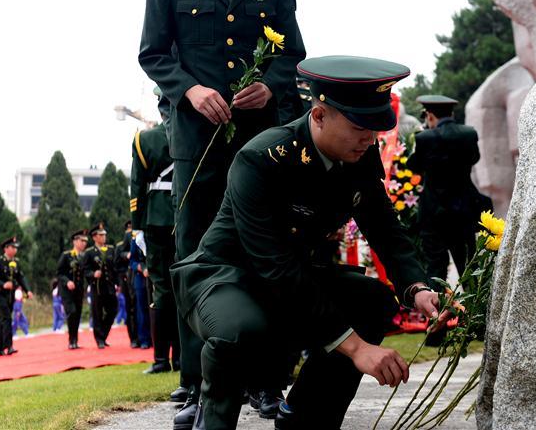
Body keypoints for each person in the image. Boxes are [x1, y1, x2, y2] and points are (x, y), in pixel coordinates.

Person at [170, 56, 445, 429]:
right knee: (242, 329)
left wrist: (418, 290)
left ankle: (304, 419)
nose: (370, 139)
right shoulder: (262, 158)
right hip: (225, 278)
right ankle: (212, 417)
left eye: (375, 128)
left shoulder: (357, 157)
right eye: (359, 127)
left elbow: (386, 230)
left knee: (373, 301)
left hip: (290, 277)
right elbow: (273, 265)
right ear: (318, 116)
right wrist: (356, 348)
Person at [138, 0, 306, 427]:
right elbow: (153, 53)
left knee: (264, 250)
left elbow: (293, 55)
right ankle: (194, 383)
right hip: (197, 140)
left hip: (257, 142)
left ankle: (265, 381)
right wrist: (189, 90)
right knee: (195, 255)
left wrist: (269, 86)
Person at [407, 95, 491, 289]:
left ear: (429, 116)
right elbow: (474, 158)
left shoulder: (424, 138)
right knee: (468, 267)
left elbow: (414, 166)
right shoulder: (469, 133)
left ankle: (437, 305)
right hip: (463, 210)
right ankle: (474, 307)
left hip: (433, 213)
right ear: (451, 113)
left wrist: (422, 138)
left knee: (435, 267)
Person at [129, 98, 182, 390]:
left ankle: (161, 359)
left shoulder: (144, 139)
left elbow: (137, 185)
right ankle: (183, 358)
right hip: (185, 214)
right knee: (184, 286)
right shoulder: (194, 135)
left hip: (155, 217)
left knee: (161, 288)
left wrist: (136, 225)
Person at [0, 235, 33, 356]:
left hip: (10, 296)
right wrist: (3, 284)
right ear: (6, 248)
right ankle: (9, 346)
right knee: (7, 318)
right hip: (0, 295)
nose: (15, 250)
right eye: (12, 247)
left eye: (15, 248)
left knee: (3, 320)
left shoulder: (16, 262)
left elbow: (21, 277)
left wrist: (27, 290)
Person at [82, 223, 117, 349]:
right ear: (94, 237)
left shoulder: (111, 249)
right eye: (101, 235)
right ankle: (99, 339)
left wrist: (117, 283)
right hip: (97, 287)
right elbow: (85, 270)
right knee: (97, 313)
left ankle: (103, 334)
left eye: (104, 235)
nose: (104, 237)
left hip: (109, 286)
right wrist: (93, 274)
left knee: (113, 310)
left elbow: (114, 268)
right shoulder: (89, 253)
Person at [57, 229, 88, 349]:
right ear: (75, 241)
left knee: (78, 314)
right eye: (81, 241)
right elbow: (59, 273)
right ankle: (71, 340)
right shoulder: (66, 255)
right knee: (72, 312)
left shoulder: (84, 256)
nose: (84, 243)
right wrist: (67, 281)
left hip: (79, 290)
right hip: (67, 291)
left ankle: (75, 340)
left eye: (85, 241)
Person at [114, 222, 137, 347]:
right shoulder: (120, 247)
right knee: (130, 309)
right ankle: (133, 337)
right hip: (126, 280)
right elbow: (116, 266)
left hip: (136, 277)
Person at [129, 229, 152, 349]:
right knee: (141, 310)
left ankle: (156, 338)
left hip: (154, 276)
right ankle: (144, 339)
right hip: (140, 278)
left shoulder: (152, 234)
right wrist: (141, 268)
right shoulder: (136, 239)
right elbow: (132, 261)